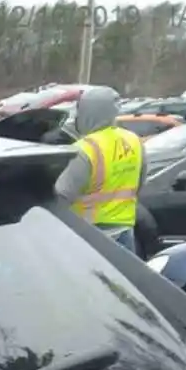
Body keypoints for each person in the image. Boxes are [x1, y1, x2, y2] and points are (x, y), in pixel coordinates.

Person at [53, 85, 143, 253]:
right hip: (125, 231)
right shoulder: (134, 141)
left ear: (89, 113)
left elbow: (62, 196)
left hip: (90, 236)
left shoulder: (85, 149)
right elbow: (140, 183)